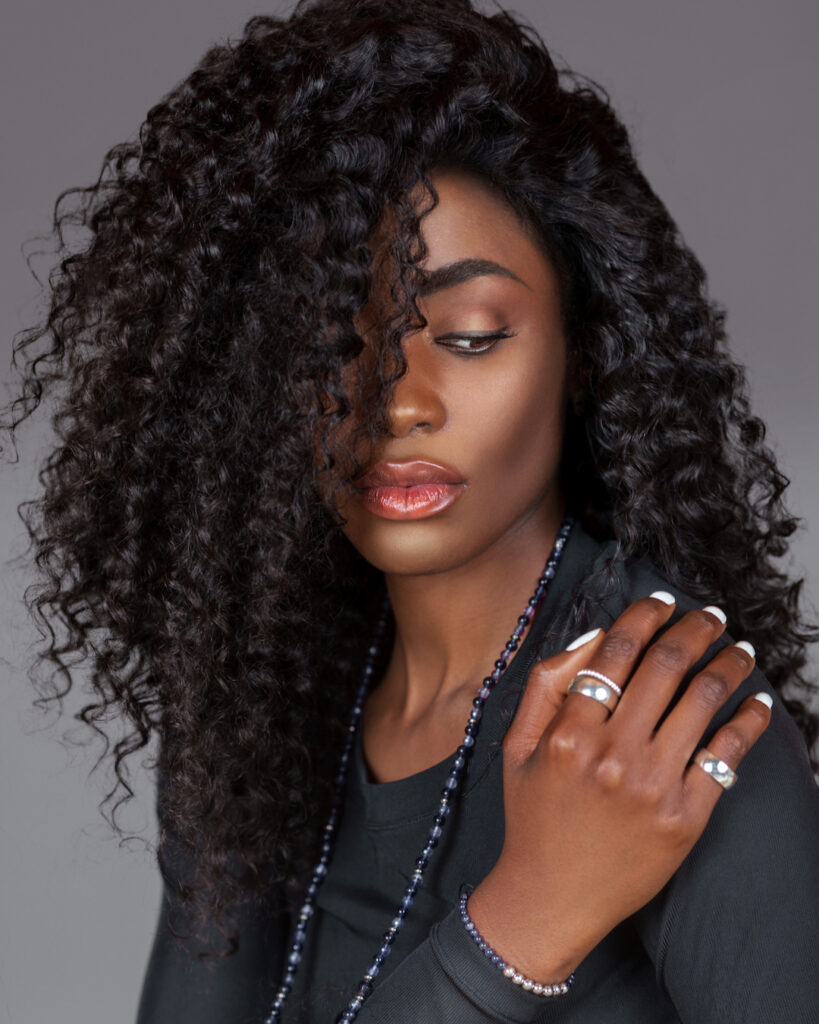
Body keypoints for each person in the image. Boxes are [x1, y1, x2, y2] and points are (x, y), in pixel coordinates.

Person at [5, 1, 819, 1022]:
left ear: (583, 355)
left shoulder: (664, 729)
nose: (396, 397)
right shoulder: (264, 698)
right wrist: (523, 923)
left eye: (472, 334)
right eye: (332, 340)